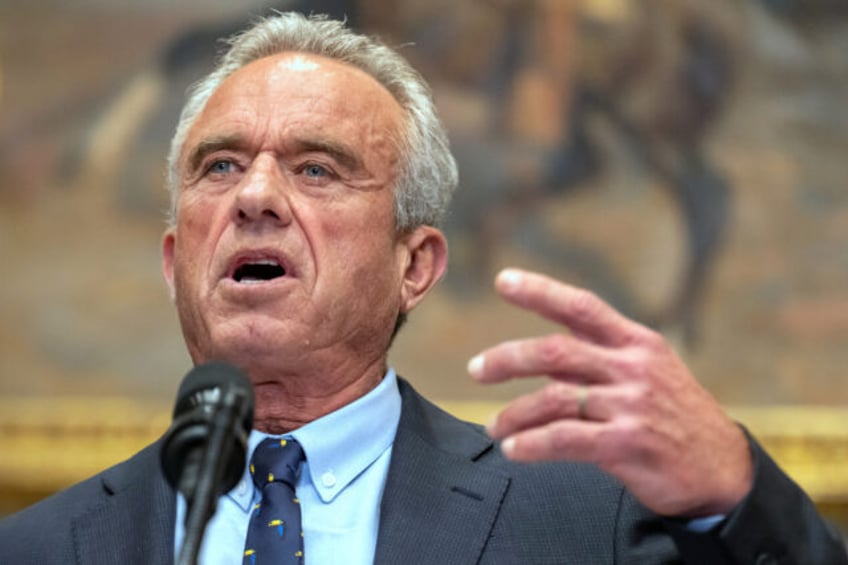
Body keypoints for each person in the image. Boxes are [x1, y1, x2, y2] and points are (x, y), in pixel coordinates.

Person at [0, 11, 844, 564]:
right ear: (174, 259)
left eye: (316, 168)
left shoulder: (589, 520)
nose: (254, 195)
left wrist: (738, 487)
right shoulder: (39, 547)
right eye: (220, 165)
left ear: (416, 265)